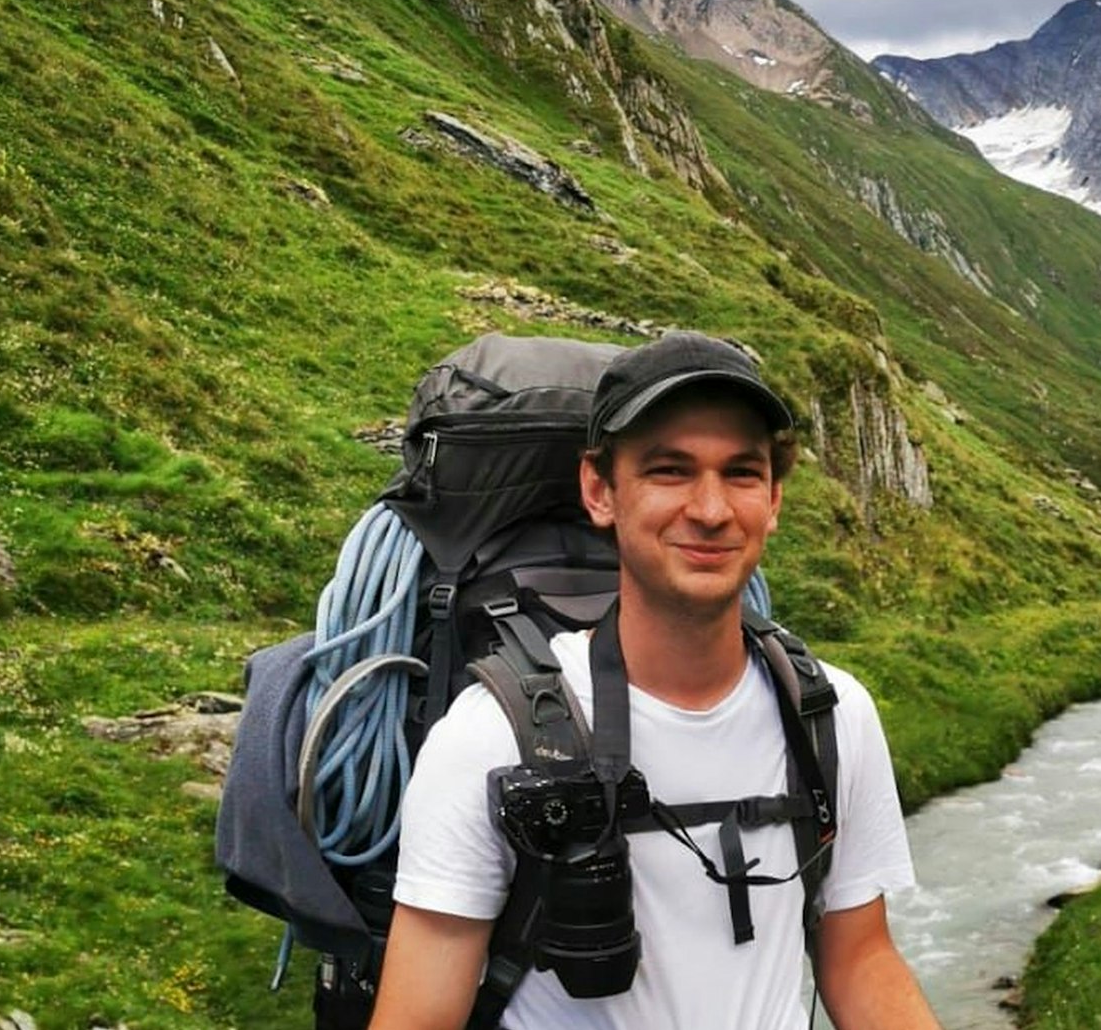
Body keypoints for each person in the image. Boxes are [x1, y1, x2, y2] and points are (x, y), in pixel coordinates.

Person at [369, 331, 941, 1030]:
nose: (710, 510)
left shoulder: (831, 714)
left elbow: (860, 958)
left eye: (741, 473)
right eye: (670, 471)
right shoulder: (491, 736)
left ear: (775, 500)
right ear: (600, 490)